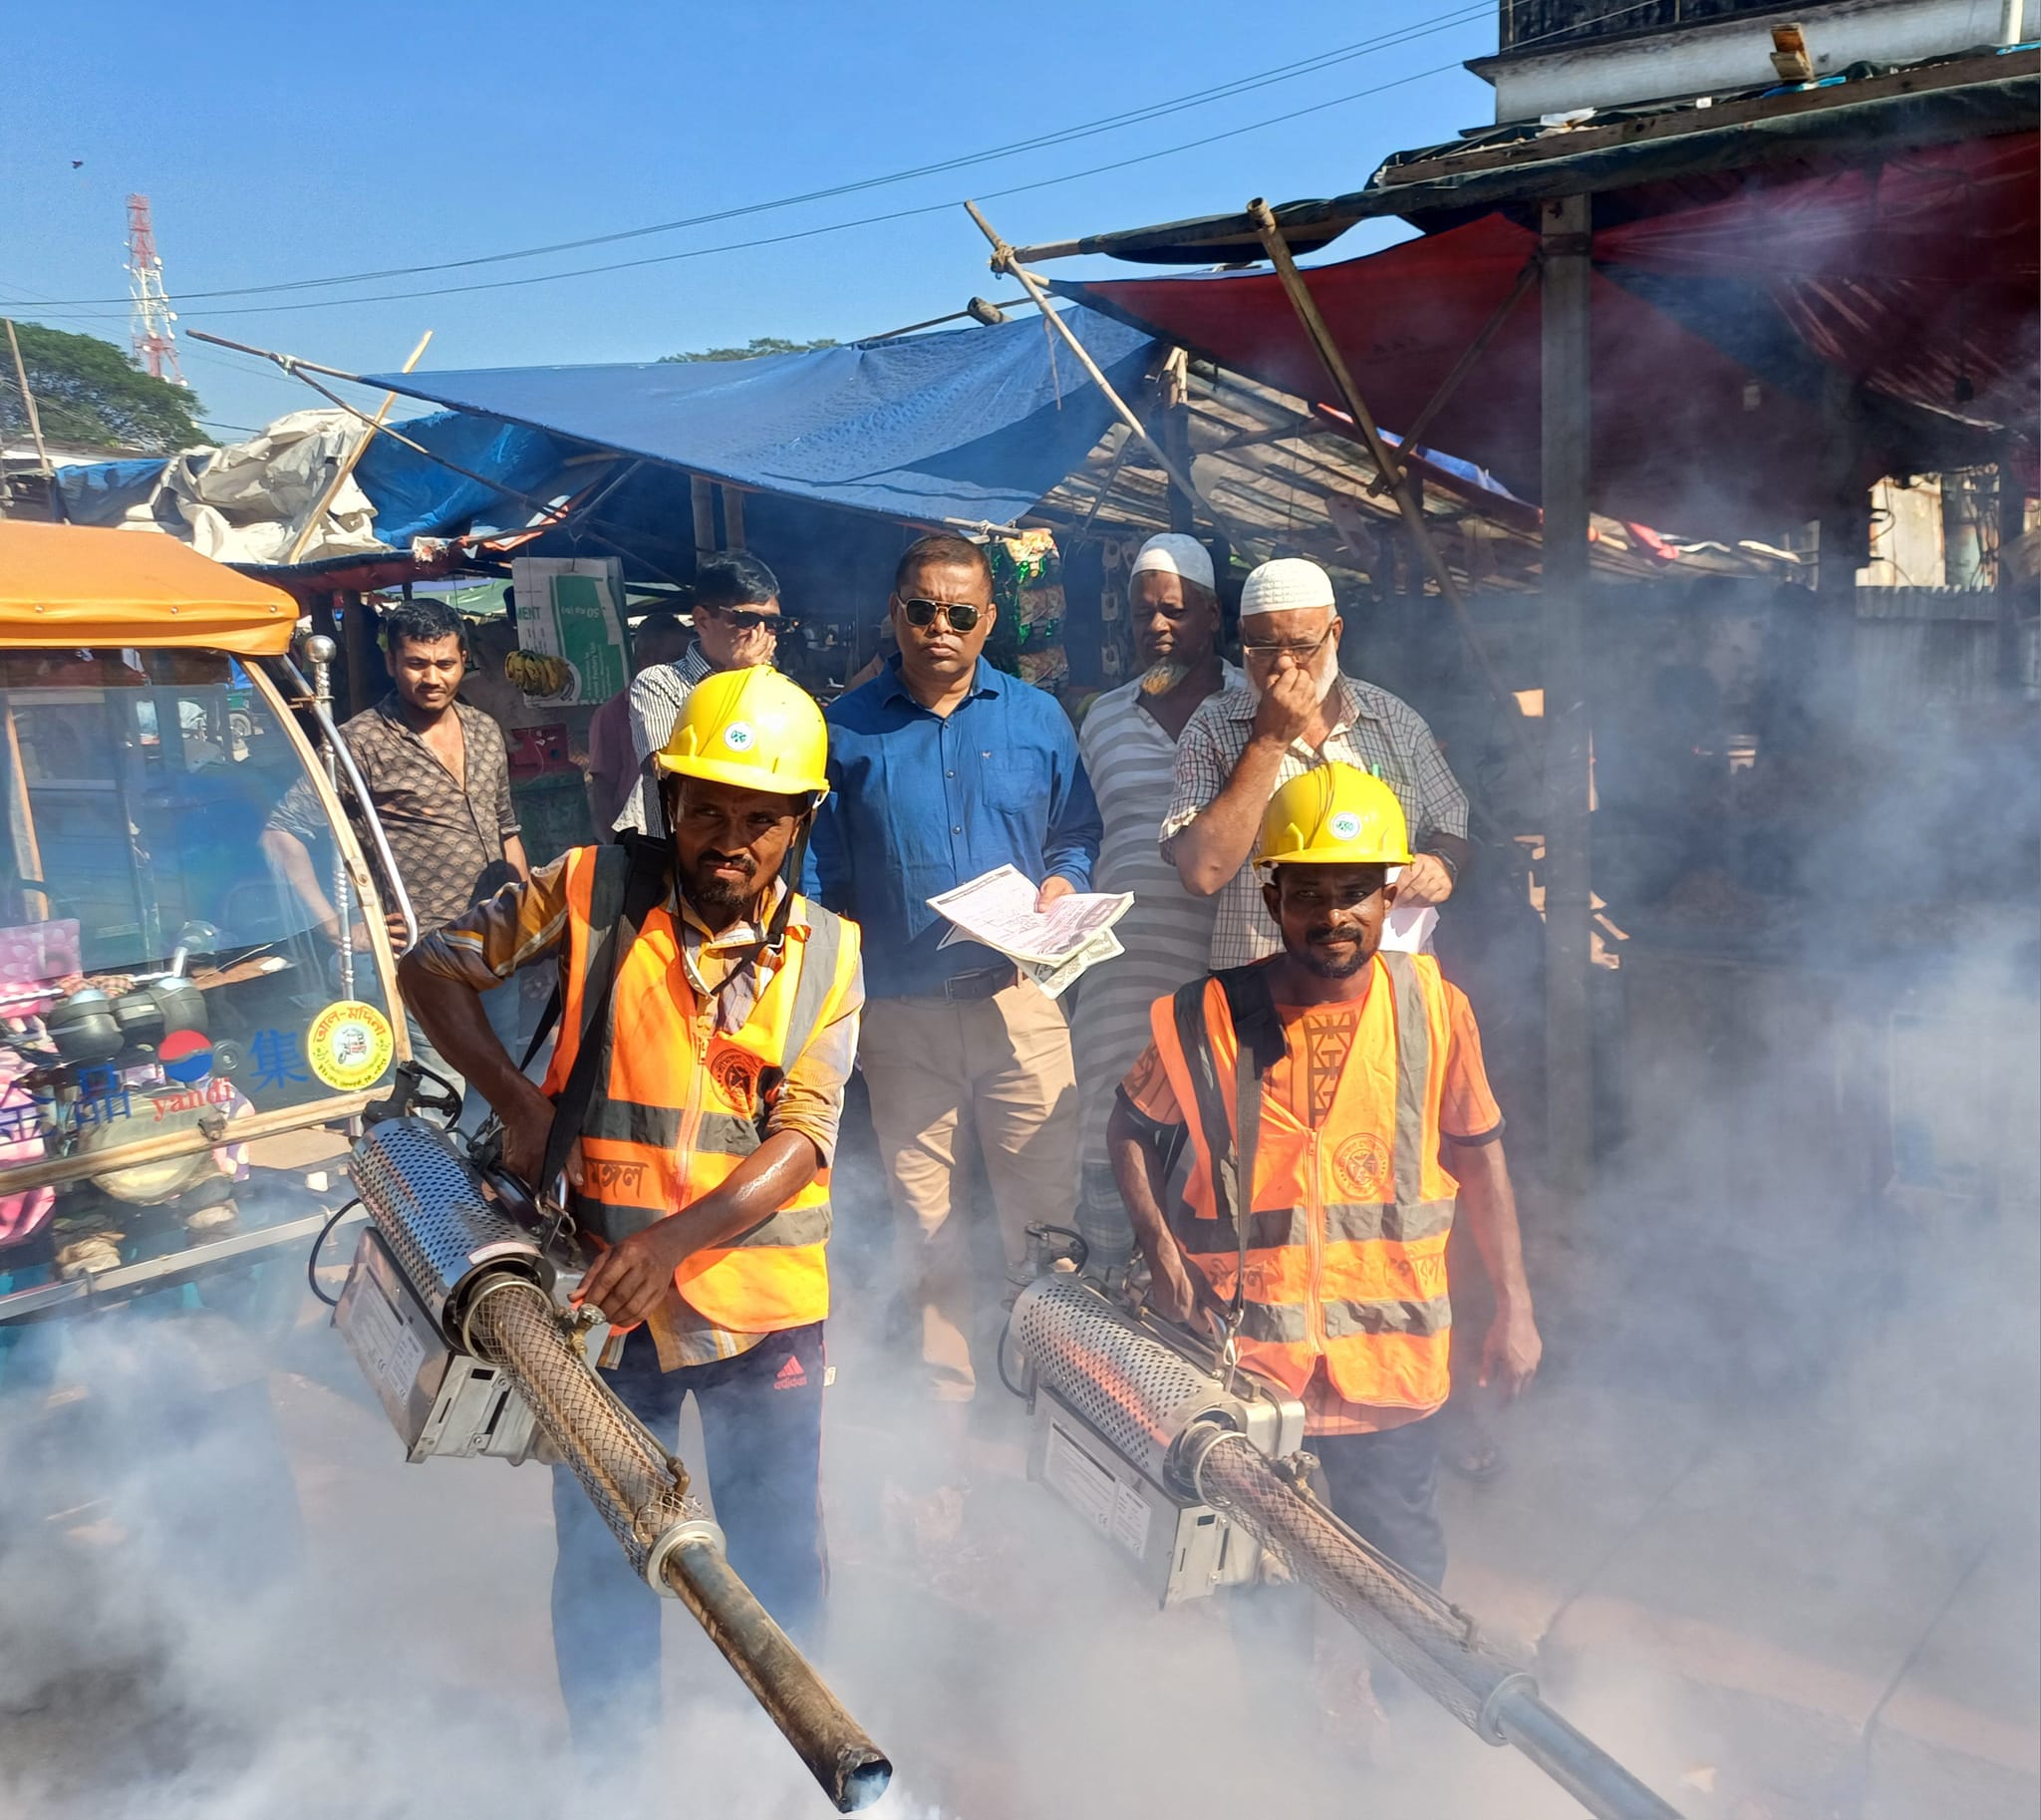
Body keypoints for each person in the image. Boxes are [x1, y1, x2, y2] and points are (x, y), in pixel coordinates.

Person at [398, 666, 863, 1750]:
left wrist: (672, 1242)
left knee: (780, 1548)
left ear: (799, 823)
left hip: (763, 1310)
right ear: (668, 803)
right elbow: (432, 967)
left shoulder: (831, 949)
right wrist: (513, 1096)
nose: (729, 839)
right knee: (609, 1544)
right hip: (602, 1309)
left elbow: (802, 1139)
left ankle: (789, 1757)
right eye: (706, 809)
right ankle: (618, 1768)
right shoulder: (588, 888)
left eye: (760, 817)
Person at [1108, 763, 1539, 1589]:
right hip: (1249, 1370)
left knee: (1404, 1583)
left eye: (1354, 893)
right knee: (1255, 1587)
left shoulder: (1436, 1009)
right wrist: (1160, 1254)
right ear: (1273, 903)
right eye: (1309, 893)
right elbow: (1129, 1127)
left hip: (1390, 1378)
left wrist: (1515, 1308)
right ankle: (1282, 1720)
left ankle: (1411, 1716)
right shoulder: (1208, 1015)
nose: (1334, 916)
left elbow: (1483, 1159)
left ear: (1388, 900)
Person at [808, 533, 1101, 1401]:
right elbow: (820, 874)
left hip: (1019, 1006)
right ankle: (948, 1410)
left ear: (989, 622)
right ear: (895, 614)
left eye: (960, 613)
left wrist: (1064, 881)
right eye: (924, 610)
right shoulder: (844, 731)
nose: (941, 628)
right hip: (901, 1021)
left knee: (1045, 1221)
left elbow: (1077, 833)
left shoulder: (1038, 718)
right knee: (926, 1225)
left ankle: (1056, 1396)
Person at [262, 597, 528, 1110]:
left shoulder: (485, 730)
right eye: (416, 663)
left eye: (445, 663)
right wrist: (337, 926)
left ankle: (488, 1190)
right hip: (423, 957)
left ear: (463, 659)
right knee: (438, 1097)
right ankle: (440, 1191)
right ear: (392, 662)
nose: (432, 677)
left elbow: (507, 830)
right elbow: (281, 833)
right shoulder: (358, 744)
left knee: (501, 1092)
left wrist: (531, 915)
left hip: (498, 948)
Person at [1068, 533, 1243, 1269]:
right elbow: (1077, 834)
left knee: (1222, 1157)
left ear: (1210, 616)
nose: (1156, 628)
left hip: (1230, 965)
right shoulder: (1103, 718)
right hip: (1121, 977)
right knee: (1114, 1145)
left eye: (1173, 610)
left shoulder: (1255, 707)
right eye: (1143, 614)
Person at [1163, 557, 1471, 971]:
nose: (1285, 664)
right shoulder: (1213, 727)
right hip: (1262, 992)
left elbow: (1453, 829)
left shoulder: (1395, 721)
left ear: (1335, 635)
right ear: (1242, 638)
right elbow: (1202, 873)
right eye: (1265, 647)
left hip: (1388, 990)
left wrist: (1441, 864)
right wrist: (1268, 739)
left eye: (1303, 645)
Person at [614, 553, 794, 836]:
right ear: (702, 620)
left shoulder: (782, 691)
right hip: (672, 850)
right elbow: (670, 775)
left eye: (773, 624)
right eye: (746, 619)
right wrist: (738, 676)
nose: (761, 634)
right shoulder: (659, 683)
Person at [587, 610, 688, 834]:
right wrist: (614, 844)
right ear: (645, 660)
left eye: (687, 659)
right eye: (675, 658)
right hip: (640, 834)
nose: (684, 667)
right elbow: (603, 788)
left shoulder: (695, 702)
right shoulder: (612, 715)